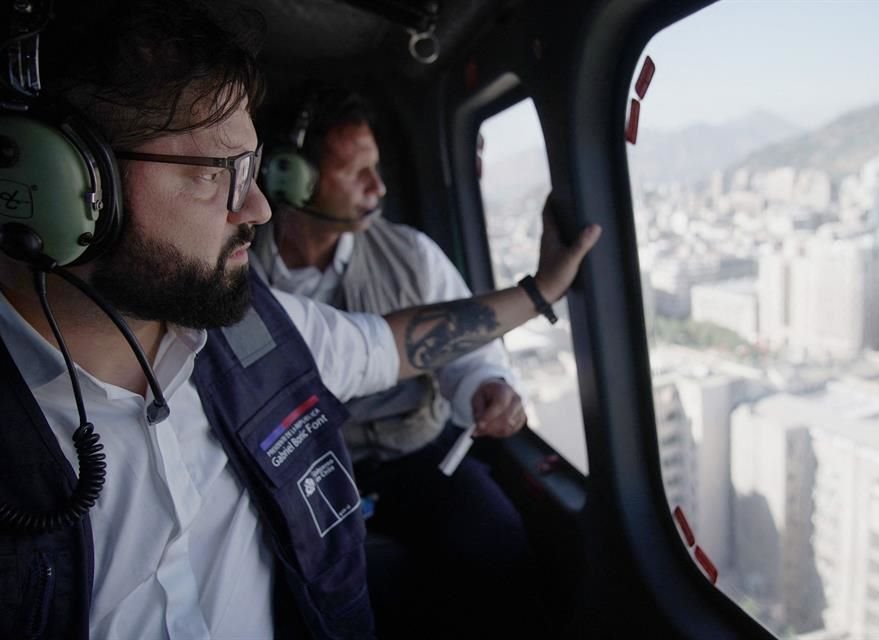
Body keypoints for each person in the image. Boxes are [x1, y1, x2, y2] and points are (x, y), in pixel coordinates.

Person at [0, 2, 601, 640]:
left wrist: (541, 290)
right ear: (47, 181)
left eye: (253, 170)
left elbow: (394, 344)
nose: (255, 208)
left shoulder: (252, 326)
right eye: (214, 173)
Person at [253, 88, 534, 636]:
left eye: (376, 168)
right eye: (355, 172)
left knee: (496, 536)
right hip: (298, 473)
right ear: (290, 177)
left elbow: (467, 351)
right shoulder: (241, 272)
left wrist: (486, 383)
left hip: (410, 449)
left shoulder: (412, 254)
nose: (378, 188)